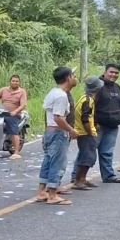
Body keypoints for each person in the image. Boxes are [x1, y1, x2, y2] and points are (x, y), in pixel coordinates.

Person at [37, 67, 78, 205]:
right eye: (73, 76)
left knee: (48, 161)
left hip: (50, 131)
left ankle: (42, 191)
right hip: (58, 132)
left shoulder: (53, 92)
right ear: (68, 78)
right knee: (57, 162)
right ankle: (52, 195)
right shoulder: (61, 96)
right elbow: (58, 117)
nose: (75, 78)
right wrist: (71, 130)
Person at [94, 64, 120, 183]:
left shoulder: (117, 87)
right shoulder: (98, 86)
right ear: (105, 72)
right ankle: (77, 178)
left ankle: (108, 176)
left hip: (113, 125)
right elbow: (90, 104)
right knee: (89, 152)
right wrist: (93, 123)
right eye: (111, 72)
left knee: (107, 152)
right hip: (98, 125)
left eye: (116, 73)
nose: (113, 75)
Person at [0, 75, 28, 159]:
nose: (15, 82)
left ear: (19, 82)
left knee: (13, 130)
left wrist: (15, 111)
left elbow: (23, 105)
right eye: (13, 81)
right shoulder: (4, 90)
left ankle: (16, 152)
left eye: (17, 81)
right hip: (2, 112)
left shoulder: (22, 92)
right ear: (10, 81)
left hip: (13, 115)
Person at [73, 77, 104, 190]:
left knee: (87, 156)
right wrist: (90, 132)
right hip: (85, 133)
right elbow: (85, 119)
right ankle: (79, 180)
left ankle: (83, 179)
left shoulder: (85, 98)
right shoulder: (88, 101)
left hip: (83, 132)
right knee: (87, 157)